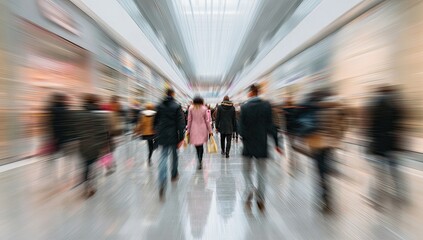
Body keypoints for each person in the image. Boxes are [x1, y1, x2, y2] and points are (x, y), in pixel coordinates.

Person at [239, 84, 282, 211]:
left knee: (246, 170)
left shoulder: (245, 107)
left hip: (248, 143)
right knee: (261, 172)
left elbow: (241, 128)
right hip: (262, 143)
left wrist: (243, 137)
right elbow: (271, 126)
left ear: (251, 93)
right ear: (258, 92)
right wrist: (277, 144)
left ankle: (249, 187)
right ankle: (261, 199)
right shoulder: (266, 106)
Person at [302, 89, 344, 213]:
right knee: (326, 169)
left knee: (319, 171)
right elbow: (339, 128)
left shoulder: (314, 111)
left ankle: (323, 196)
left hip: (317, 144)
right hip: (330, 144)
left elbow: (308, 128)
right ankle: (327, 195)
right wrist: (336, 138)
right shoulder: (333, 110)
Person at [367, 86, 405, 208]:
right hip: (392, 142)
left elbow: (372, 126)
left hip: (380, 142)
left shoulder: (376, 103)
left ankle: (378, 197)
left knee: (380, 171)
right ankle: (398, 194)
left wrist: (371, 142)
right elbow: (399, 123)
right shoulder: (396, 103)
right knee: (393, 169)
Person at [154, 88, 186, 199]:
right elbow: (181, 124)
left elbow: (155, 121)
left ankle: (162, 181)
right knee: (174, 155)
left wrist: (157, 132)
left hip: (162, 135)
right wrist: (181, 138)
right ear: (173, 94)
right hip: (173, 135)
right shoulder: (176, 106)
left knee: (163, 157)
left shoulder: (159, 105)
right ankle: (174, 174)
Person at [77, 94, 109, 198]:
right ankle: (91, 186)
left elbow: (76, 130)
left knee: (85, 165)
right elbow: (103, 131)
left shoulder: (80, 114)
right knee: (93, 166)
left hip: (83, 144)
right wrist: (105, 145)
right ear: (96, 102)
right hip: (95, 144)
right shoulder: (99, 114)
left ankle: (86, 186)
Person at [186, 96, 213, 170]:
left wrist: (188, 130)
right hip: (203, 128)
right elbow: (207, 121)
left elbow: (189, 120)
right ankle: (200, 159)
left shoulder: (191, 108)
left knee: (197, 145)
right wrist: (210, 131)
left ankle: (199, 158)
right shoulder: (204, 109)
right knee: (201, 145)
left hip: (193, 129)